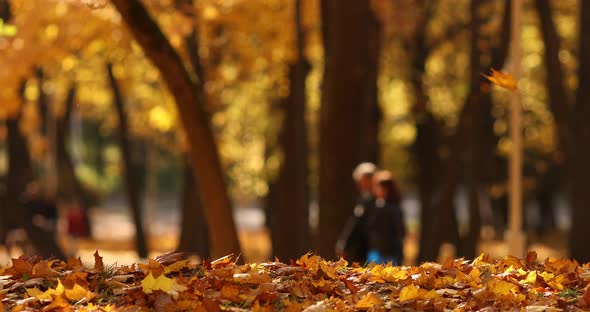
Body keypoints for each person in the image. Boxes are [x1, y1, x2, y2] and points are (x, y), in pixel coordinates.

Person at [335, 162, 377, 263]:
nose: (360, 185)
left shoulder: (377, 200)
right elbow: (355, 222)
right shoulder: (364, 198)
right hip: (363, 249)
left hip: (375, 249)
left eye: (362, 181)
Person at [366, 170, 406, 265]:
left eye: (377, 187)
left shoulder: (382, 206)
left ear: (384, 189)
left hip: (383, 252)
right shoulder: (396, 206)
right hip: (389, 251)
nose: (375, 190)